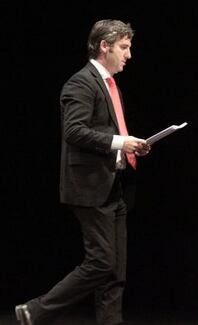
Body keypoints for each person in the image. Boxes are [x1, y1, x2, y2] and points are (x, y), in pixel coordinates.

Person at [15, 19, 150, 325]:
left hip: (114, 185)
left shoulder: (109, 85)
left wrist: (129, 146)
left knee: (115, 271)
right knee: (102, 261)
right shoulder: (80, 83)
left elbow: (106, 132)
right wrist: (120, 141)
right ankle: (35, 311)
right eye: (124, 48)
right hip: (90, 186)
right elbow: (74, 131)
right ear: (105, 46)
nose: (129, 55)